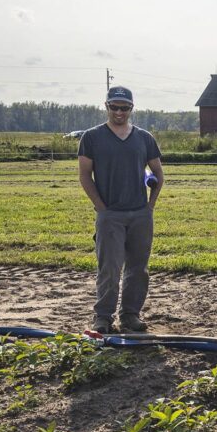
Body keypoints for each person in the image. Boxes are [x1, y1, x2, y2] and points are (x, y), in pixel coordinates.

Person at [78, 86, 164, 333]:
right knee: (110, 268)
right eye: (114, 107)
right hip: (110, 216)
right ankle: (103, 318)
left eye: (124, 108)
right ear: (106, 107)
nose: (119, 112)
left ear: (131, 109)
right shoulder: (92, 137)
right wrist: (101, 208)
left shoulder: (144, 138)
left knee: (138, 269)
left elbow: (158, 172)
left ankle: (130, 316)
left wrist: (150, 206)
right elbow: (85, 175)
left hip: (140, 214)